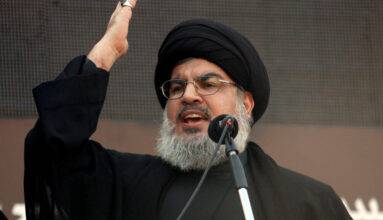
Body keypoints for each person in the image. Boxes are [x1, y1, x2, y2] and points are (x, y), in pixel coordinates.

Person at [24, 1, 352, 219]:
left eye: (208, 84)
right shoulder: (129, 185)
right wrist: (105, 53)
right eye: (177, 88)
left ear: (246, 103)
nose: (188, 96)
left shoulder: (306, 203)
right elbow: (53, 151)